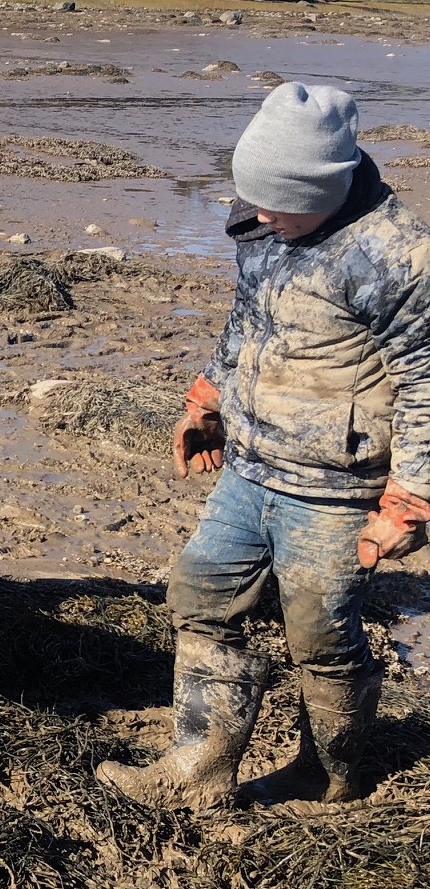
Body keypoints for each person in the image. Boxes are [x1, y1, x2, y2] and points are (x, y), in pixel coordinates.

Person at [96, 82, 430, 810]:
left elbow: (426, 383)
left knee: (318, 634)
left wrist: (406, 501)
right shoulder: (262, 223)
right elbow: (248, 320)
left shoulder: (398, 259)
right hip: (250, 467)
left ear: (327, 186)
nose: (261, 213)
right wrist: (207, 399)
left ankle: (328, 774)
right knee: (199, 591)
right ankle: (197, 769)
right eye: (252, 195)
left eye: (278, 200)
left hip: (336, 487)